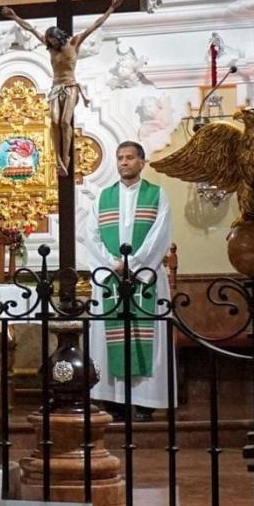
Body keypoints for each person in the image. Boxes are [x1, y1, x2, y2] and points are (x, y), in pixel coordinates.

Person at [80, 140, 173, 422]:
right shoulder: (103, 198)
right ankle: (116, 403)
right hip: (111, 281)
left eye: (130, 157)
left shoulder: (157, 195)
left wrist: (134, 264)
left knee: (149, 335)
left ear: (141, 162)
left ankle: (145, 403)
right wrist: (112, 264)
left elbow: (160, 233)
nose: (124, 162)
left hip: (146, 279)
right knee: (110, 338)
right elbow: (90, 236)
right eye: (120, 158)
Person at [3, 0, 122, 174]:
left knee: (66, 121)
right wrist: (14, 17)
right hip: (55, 88)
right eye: (49, 42)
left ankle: (65, 157)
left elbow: (95, 25)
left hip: (71, 86)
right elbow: (31, 29)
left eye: (53, 41)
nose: (50, 44)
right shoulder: (51, 48)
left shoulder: (74, 42)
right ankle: (58, 158)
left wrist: (110, 9)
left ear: (59, 37)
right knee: (54, 121)